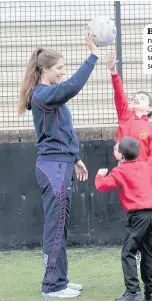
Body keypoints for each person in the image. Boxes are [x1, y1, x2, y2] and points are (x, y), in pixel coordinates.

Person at [18, 33, 99, 298]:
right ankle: (52, 286)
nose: (63, 73)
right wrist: (93, 55)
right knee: (55, 227)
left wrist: (75, 159)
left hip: (61, 164)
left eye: (64, 69)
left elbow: (62, 130)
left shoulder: (48, 96)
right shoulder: (43, 95)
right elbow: (73, 86)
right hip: (53, 167)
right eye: (59, 69)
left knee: (60, 225)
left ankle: (60, 279)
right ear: (44, 69)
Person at [106, 51, 152, 271]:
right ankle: (139, 254)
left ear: (149, 109)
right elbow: (119, 94)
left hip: (144, 178)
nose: (136, 98)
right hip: (125, 175)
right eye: (136, 96)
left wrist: (143, 174)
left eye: (142, 98)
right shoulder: (125, 116)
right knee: (133, 216)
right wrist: (113, 72)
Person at [95, 136, 152, 301]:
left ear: (121, 155)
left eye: (116, 149)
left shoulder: (119, 171)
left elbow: (101, 186)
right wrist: (150, 195)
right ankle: (151, 293)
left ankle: (133, 292)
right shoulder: (146, 166)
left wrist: (100, 175)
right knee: (149, 254)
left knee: (128, 252)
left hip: (138, 217)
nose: (115, 150)